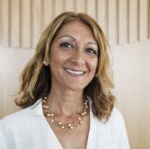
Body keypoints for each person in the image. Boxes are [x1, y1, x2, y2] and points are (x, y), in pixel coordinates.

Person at [0, 12, 130, 149]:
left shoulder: (113, 121)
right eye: (67, 45)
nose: (79, 59)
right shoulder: (10, 130)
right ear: (46, 56)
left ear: (98, 65)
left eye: (90, 50)